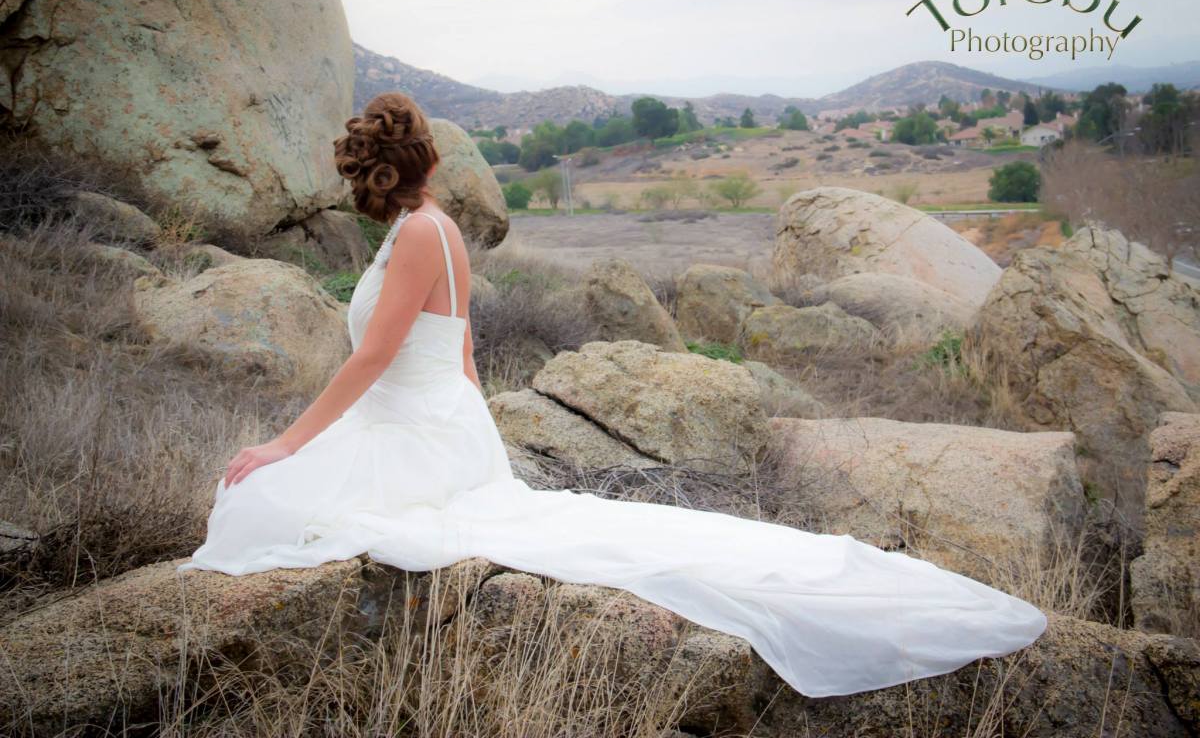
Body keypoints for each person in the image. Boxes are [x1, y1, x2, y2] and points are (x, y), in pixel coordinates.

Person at [178, 92, 1048, 698]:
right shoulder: (432, 229)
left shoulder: (417, 237)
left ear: (367, 174)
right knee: (274, 503)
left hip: (414, 426)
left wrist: (288, 442)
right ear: (428, 161)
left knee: (263, 498)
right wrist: (470, 437)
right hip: (433, 423)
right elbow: (462, 350)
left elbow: (373, 358)